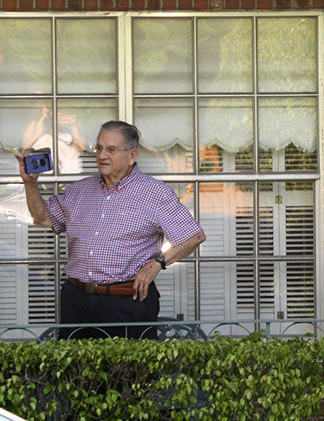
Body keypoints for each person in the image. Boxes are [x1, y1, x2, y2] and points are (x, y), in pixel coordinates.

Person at [15, 120, 206, 340]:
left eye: (111, 149)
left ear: (132, 155)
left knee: (129, 373)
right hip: (76, 301)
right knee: (76, 371)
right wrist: (30, 183)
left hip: (126, 303)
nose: (102, 155)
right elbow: (43, 218)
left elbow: (194, 236)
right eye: (99, 148)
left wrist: (157, 264)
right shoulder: (80, 190)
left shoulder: (155, 193)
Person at [22, 106, 85, 174]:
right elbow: (25, 148)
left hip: (70, 174)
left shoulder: (69, 133)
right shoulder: (43, 136)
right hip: (50, 175)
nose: (62, 117)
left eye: (63, 114)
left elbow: (80, 148)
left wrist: (73, 124)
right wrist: (39, 131)